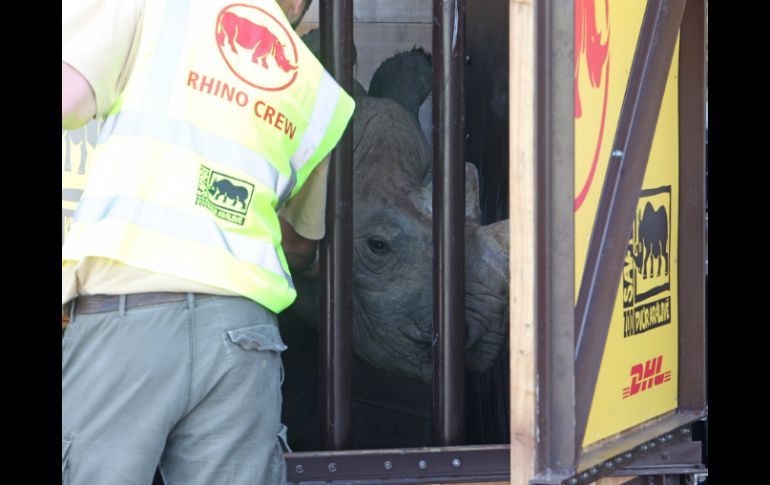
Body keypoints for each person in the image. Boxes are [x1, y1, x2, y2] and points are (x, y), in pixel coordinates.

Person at [61, 0, 354, 483]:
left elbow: (69, 98)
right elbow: (301, 244)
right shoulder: (320, 90)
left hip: (131, 315)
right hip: (244, 335)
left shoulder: (157, 7)